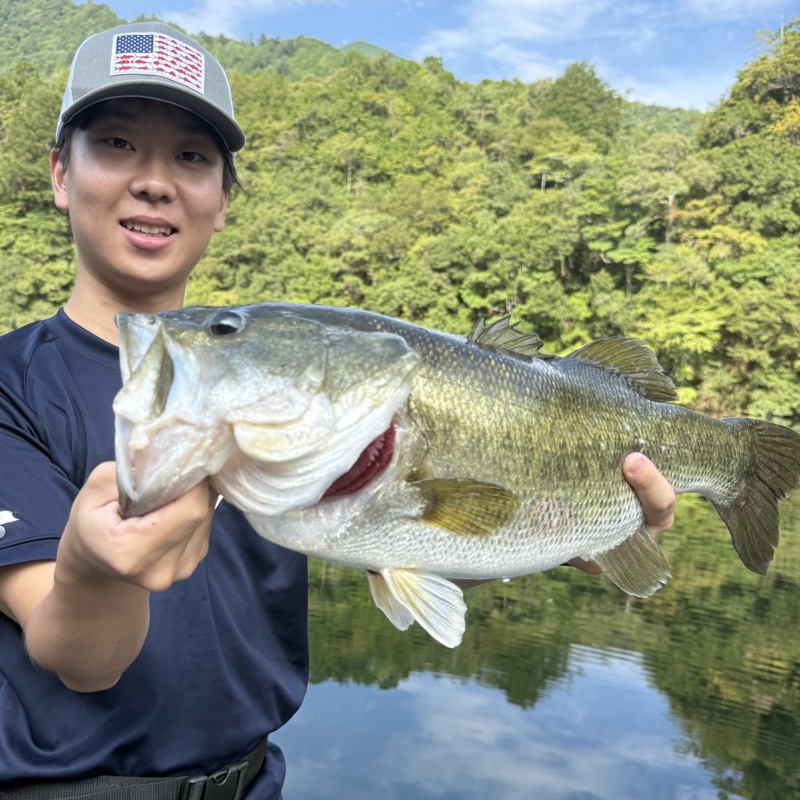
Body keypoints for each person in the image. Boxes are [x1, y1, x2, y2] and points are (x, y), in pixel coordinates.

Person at [0, 21, 676, 798]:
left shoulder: (284, 383)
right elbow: (80, 657)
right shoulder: (11, 386)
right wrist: (94, 574)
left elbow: (401, 531)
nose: (154, 181)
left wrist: (557, 532)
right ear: (60, 174)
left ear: (222, 201)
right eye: (117, 143)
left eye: (191, 156)